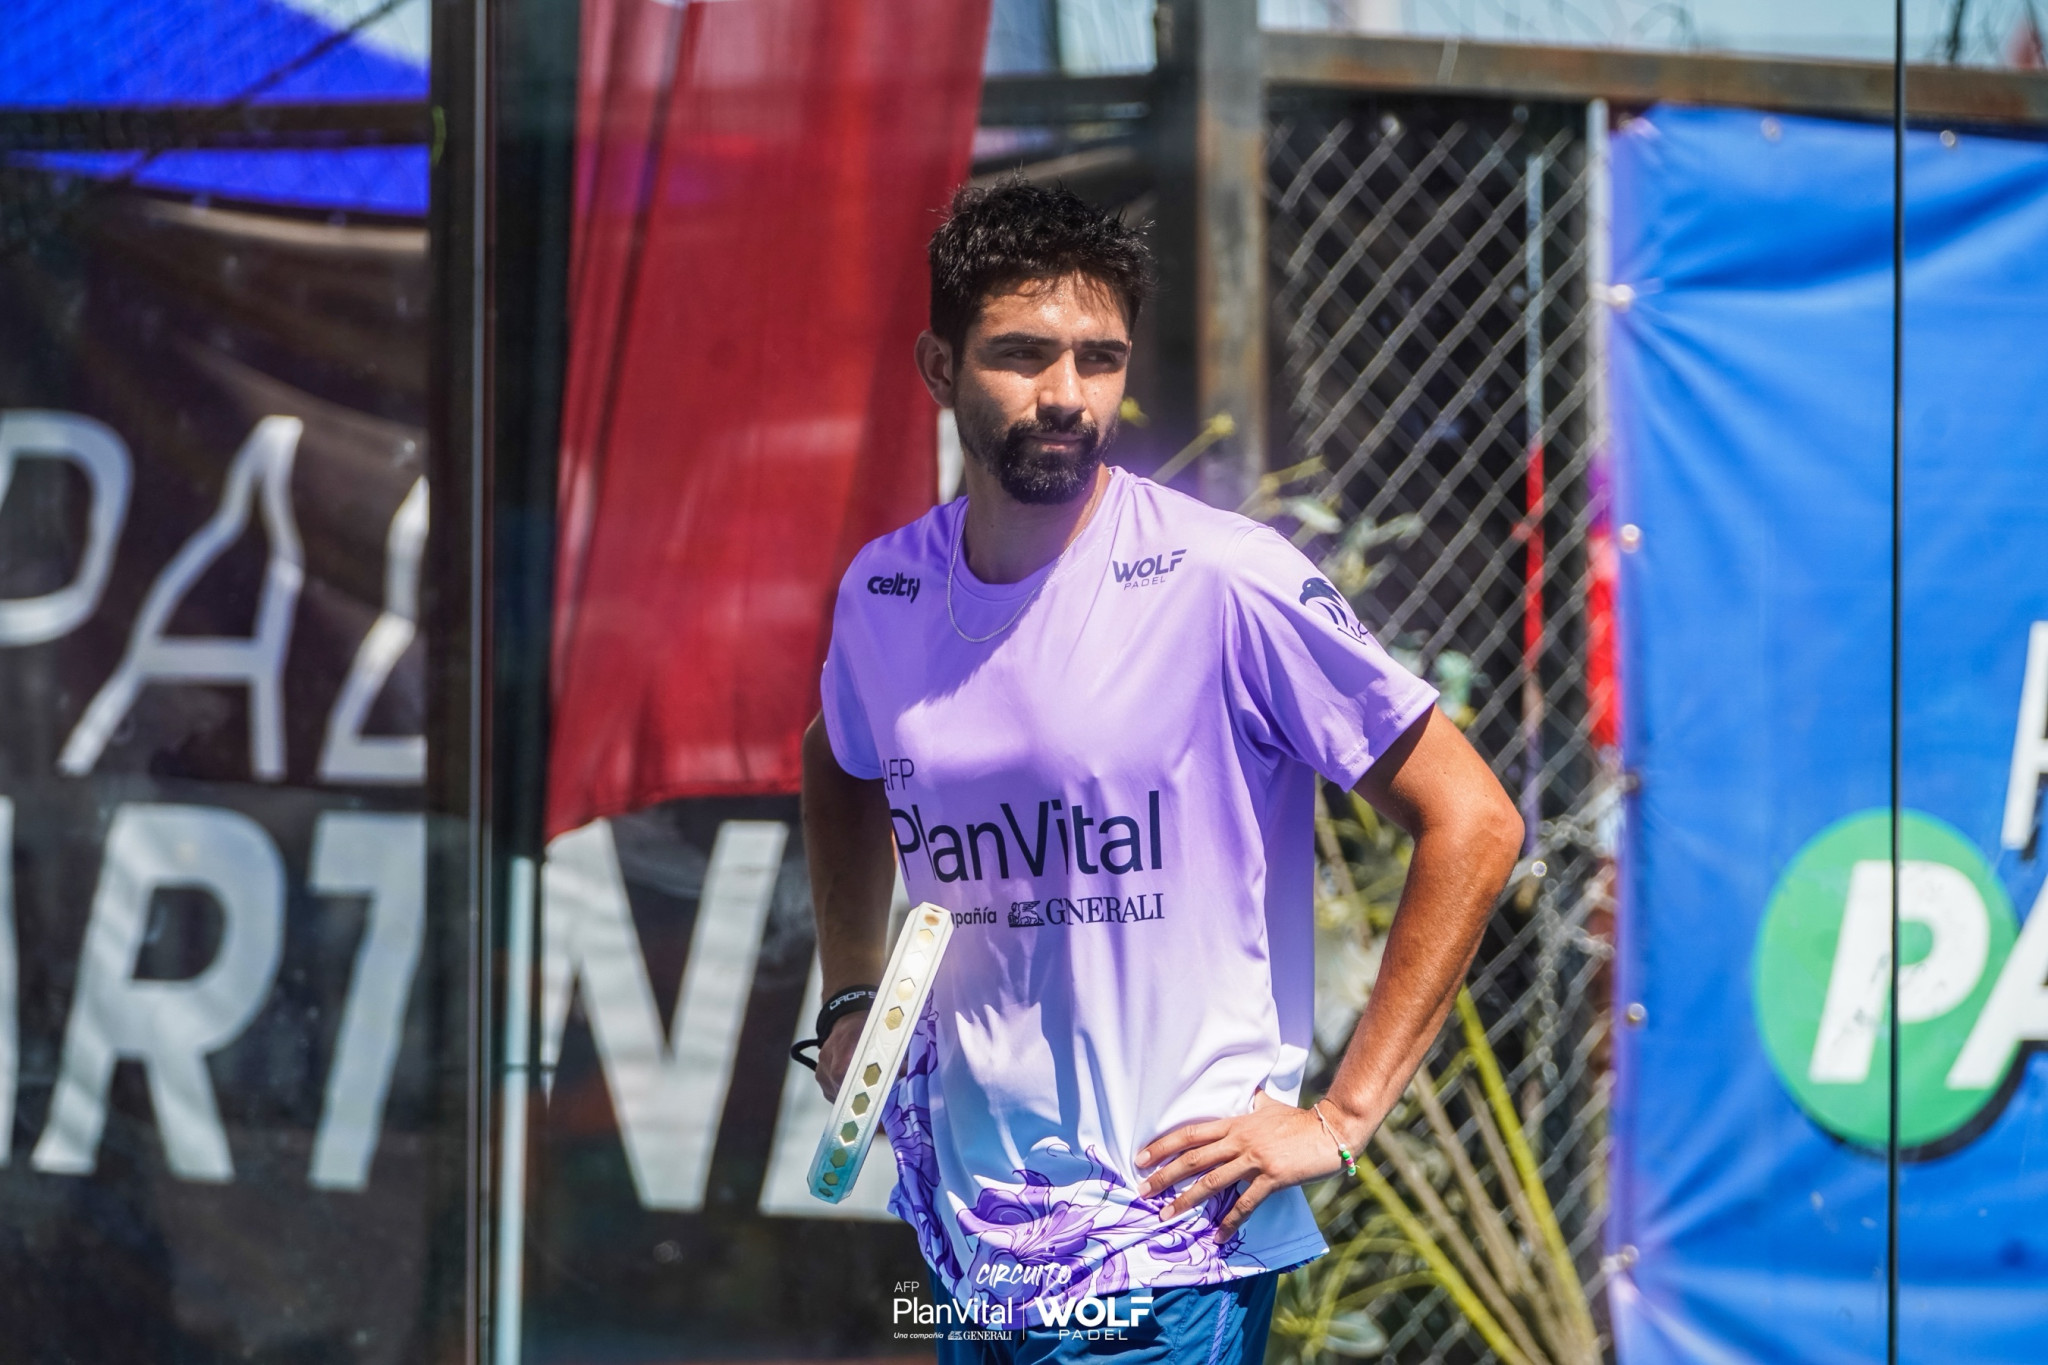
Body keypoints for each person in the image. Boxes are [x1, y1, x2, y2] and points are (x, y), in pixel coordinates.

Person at [801, 179, 1523, 1363]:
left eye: (1098, 359)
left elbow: (1474, 820)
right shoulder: (884, 591)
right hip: (974, 1241)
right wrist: (849, 997)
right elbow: (837, 762)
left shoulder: (1221, 578)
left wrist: (1341, 1117)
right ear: (938, 368)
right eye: (1021, 355)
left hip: (1168, 1245)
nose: (1064, 395)